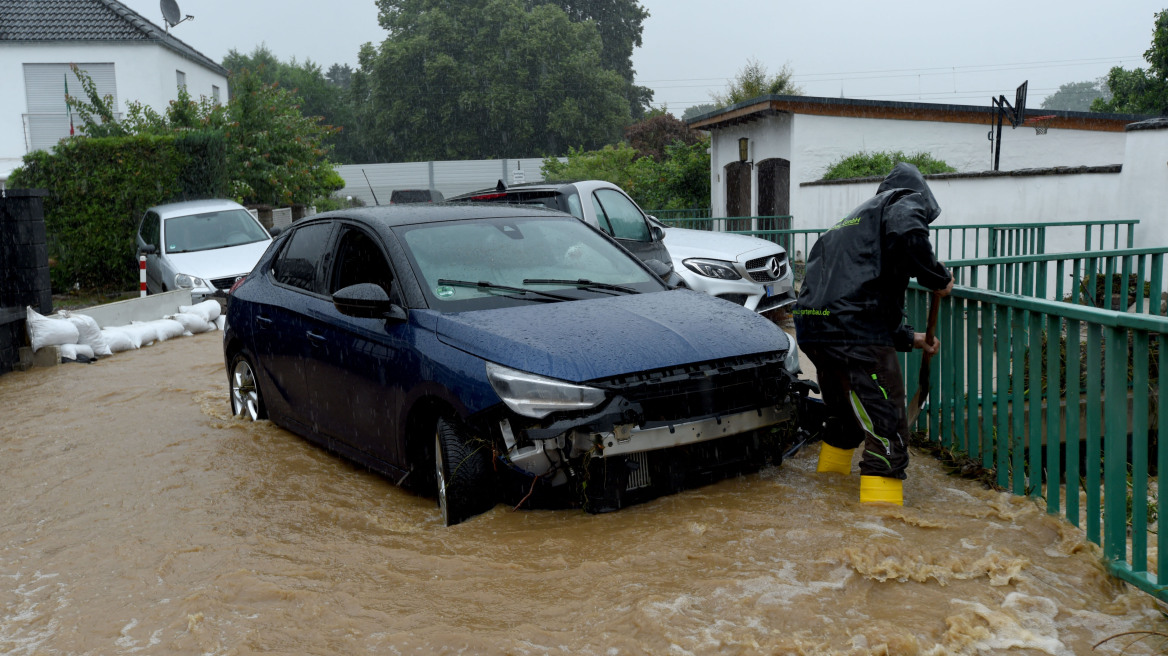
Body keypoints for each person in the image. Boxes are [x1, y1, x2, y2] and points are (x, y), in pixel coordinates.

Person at [793, 162, 954, 506]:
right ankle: (881, 524)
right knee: (887, 428)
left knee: (844, 420)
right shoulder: (904, 201)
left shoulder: (851, 223)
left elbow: (857, 290)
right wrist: (937, 277)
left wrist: (910, 338)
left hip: (815, 329)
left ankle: (828, 497)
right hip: (853, 334)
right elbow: (908, 235)